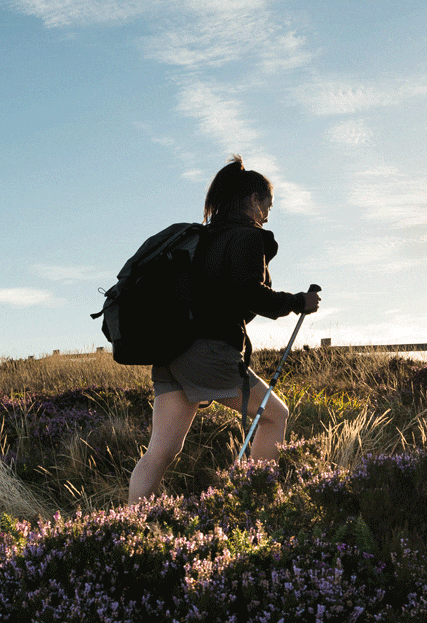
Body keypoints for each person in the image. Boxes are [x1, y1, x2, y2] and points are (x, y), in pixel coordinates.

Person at [128, 156, 320, 502]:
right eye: (268, 204)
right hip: (209, 350)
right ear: (252, 200)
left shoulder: (202, 238)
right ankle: (258, 503)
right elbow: (248, 293)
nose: (268, 213)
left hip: (172, 350)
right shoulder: (246, 237)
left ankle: (127, 526)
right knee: (276, 416)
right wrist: (297, 302)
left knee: (161, 451)